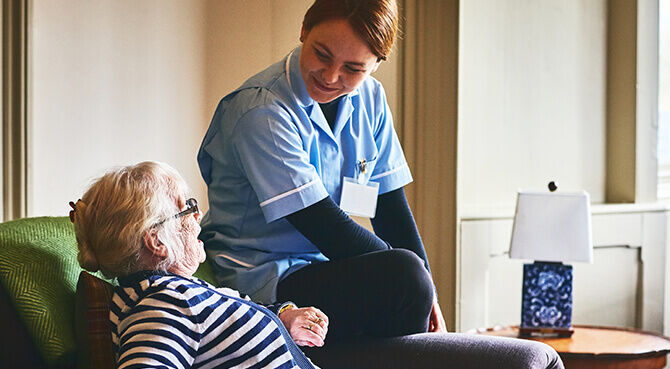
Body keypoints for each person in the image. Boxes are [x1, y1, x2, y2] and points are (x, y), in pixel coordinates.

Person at [198, 0, 443, 341]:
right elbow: (323, 225)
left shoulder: (371, 99)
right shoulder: (261, 110)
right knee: (405, 277)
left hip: (321, 266)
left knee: (410, 277)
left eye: (353, 68)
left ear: (375, 65)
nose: (330, 77)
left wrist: (428, 289)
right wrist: (414, 281)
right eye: (322, 54)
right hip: (262, 277)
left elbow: (390, 208)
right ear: (304, 31)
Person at [69, 161, 327, 368]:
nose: (198, 215)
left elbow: (224, 327)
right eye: (187, 207)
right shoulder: (166, 301)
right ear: (157, 241)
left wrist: (282, 317)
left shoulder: (181, 293)